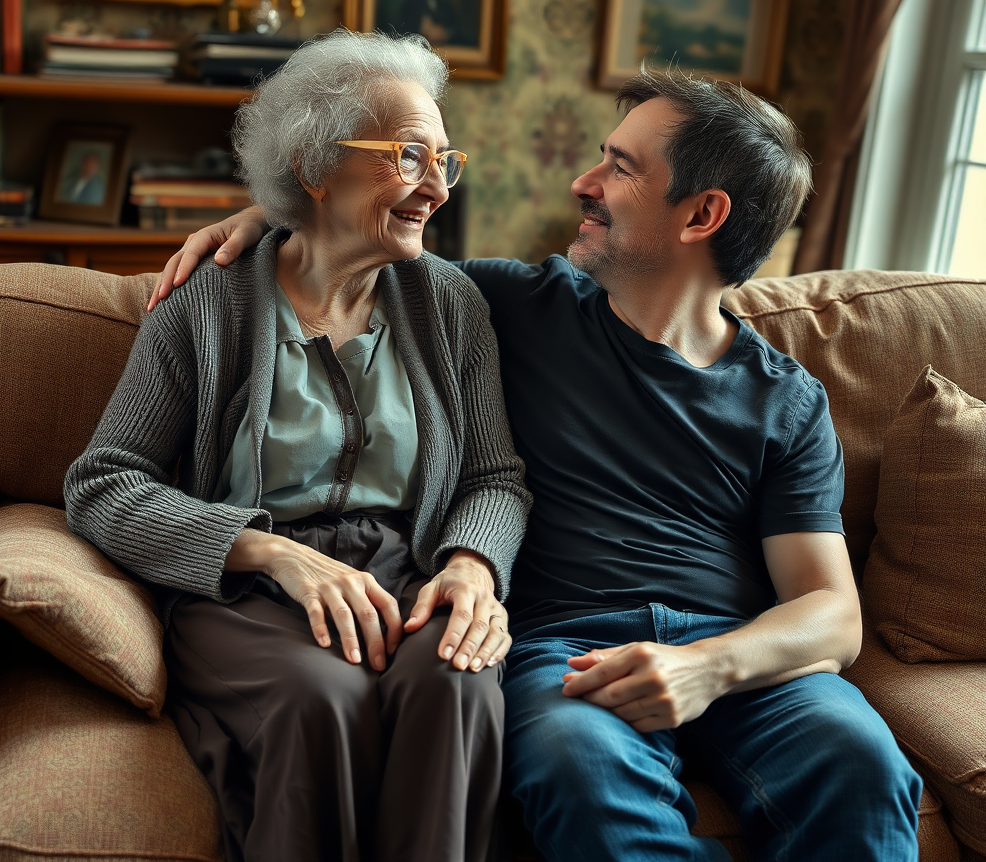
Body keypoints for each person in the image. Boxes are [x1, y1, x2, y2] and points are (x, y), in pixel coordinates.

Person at [149, 67, 923, 861]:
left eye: (620, 168)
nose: (584, 182)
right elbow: (351, 239)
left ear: (702, 214)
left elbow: (832, 614)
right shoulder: (504, 305)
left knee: (864, 766)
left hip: (740, 653)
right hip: (566, 649)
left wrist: (707, 667)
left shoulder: (787, 400)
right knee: (578, 771)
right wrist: (272, 212)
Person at [65, 30, 530, 862]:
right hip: (245, 590)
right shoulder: (205, 308)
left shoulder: (452, 304)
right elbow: (104, 483)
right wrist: (270, 554)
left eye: (444, 161)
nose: (437, 187)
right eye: (410, 156)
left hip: (408, 573)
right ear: (316, 165)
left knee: (458, 685)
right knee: (322, 697)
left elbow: (496, 477)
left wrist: (471, 565)